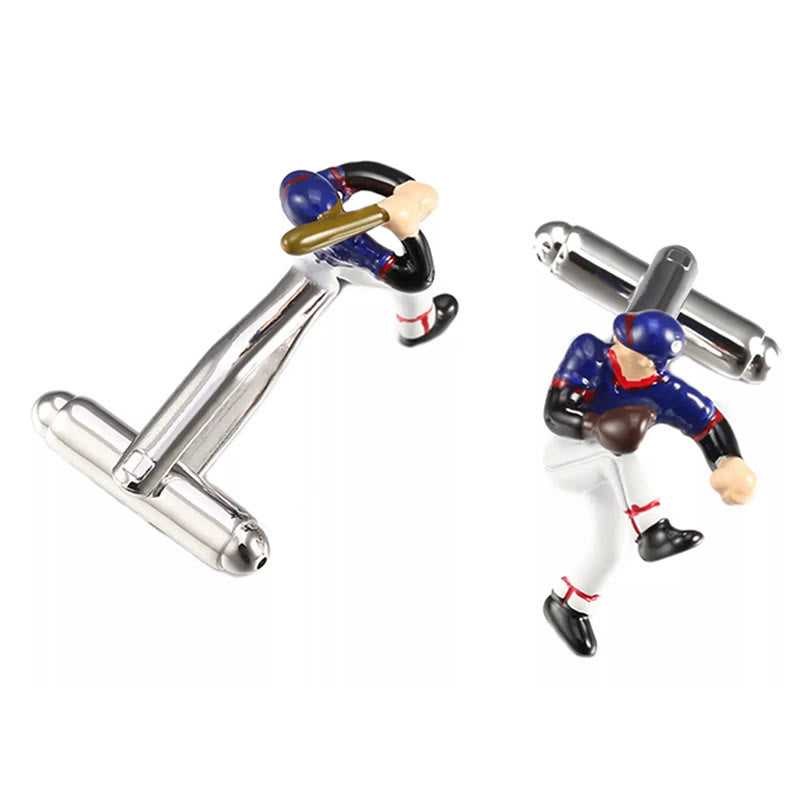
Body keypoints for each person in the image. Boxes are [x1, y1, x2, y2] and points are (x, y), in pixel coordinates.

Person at [542, 309, 757, 656]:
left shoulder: (662, 388)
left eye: (631, 351)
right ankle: (653, 530)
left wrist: (729, 460)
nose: (617, 348)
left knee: (611, 550)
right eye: (620, 340)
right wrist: (595, 426)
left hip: (610, 470)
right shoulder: (590, 352)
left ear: (651, 362)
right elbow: (555, 412)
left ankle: (568, 605)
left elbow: (708, 421)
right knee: (619, 453)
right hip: (565, 455)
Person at [280, 161, 458, 346]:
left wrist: (405, 186)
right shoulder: (352, 244)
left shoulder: (304, 188)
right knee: (415, 295)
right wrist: (409, 231)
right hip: (348, 268)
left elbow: (356, 173)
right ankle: (417, 330)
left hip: (313, 255)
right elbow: (417, 279)